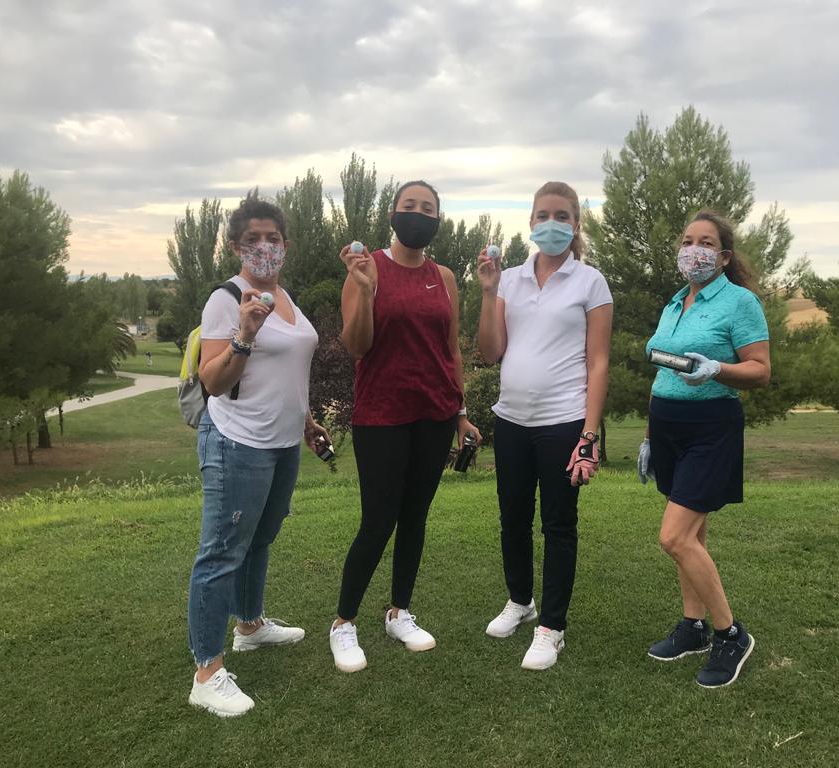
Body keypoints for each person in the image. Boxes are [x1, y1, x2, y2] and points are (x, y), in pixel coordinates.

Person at [186, 193, 330, 717]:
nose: (265, 247)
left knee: (260, 538)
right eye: (253, 239)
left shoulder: (286, 297)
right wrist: (244, 335)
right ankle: (207, 673)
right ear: (235, 246)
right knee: (222, 551)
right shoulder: (226, 300)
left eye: (273, 238)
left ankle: (249, 626)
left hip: (283, 442)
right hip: (237, 442)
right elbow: (212, 381)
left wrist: (307, 421)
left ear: (286, 245)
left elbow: (288, 370)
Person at [328, 180, 479, 672]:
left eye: (427, 207)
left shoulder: (445, 277)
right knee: (378, 522)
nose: (418, 213)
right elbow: (356, 346)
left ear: (438, 219)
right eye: (409, 205)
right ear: (393, 213)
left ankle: (400, 612)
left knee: (415, 518)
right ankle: (344, 623)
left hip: (435, 414)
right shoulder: (366, 268)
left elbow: (451, 352)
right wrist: (365, 290)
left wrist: (460, 412)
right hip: (381, 415)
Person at [476, 181, 613, 670]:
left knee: (558, 525)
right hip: (512, 419)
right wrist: (488, 292)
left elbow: (598, 362)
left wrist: (589, 435)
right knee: (512, 518)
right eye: (542, 215)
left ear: (575, 225)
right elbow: (489, 351)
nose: (550, 223)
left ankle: (552, 627)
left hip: (564, 421)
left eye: (561, 216)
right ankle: (521, 601)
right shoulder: (508, 279)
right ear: (530, 222)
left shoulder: (590, 282)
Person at [642, 209, 771, 689]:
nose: (693, 250)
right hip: (667, 427)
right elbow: (662, 370)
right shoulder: (675, 302)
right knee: (694, 535)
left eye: (706, 243)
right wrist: (649, 437)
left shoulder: (740, 302)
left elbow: (760, 370)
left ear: (724, 256)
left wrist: (718, 369)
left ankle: (731, 634)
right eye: (687, 241)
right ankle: (692, 626)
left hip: (710, 428)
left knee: (674, 537)